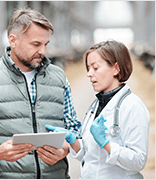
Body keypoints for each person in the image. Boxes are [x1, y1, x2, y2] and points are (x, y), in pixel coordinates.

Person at [0, 8, 81, 179]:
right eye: (36, 44)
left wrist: (65, 150)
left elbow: (73, 127)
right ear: (13, 40)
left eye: (46, 44)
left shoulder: (58, 77)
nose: (43, 52)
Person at [46, 40, 150, 179]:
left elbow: (138, 161)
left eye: (95, 68)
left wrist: (106, 144)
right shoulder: (96, 105)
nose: (89, 74)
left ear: (116, 68)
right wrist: (73, 141)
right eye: (88, 68)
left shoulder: (132, 106)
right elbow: (90, 154)